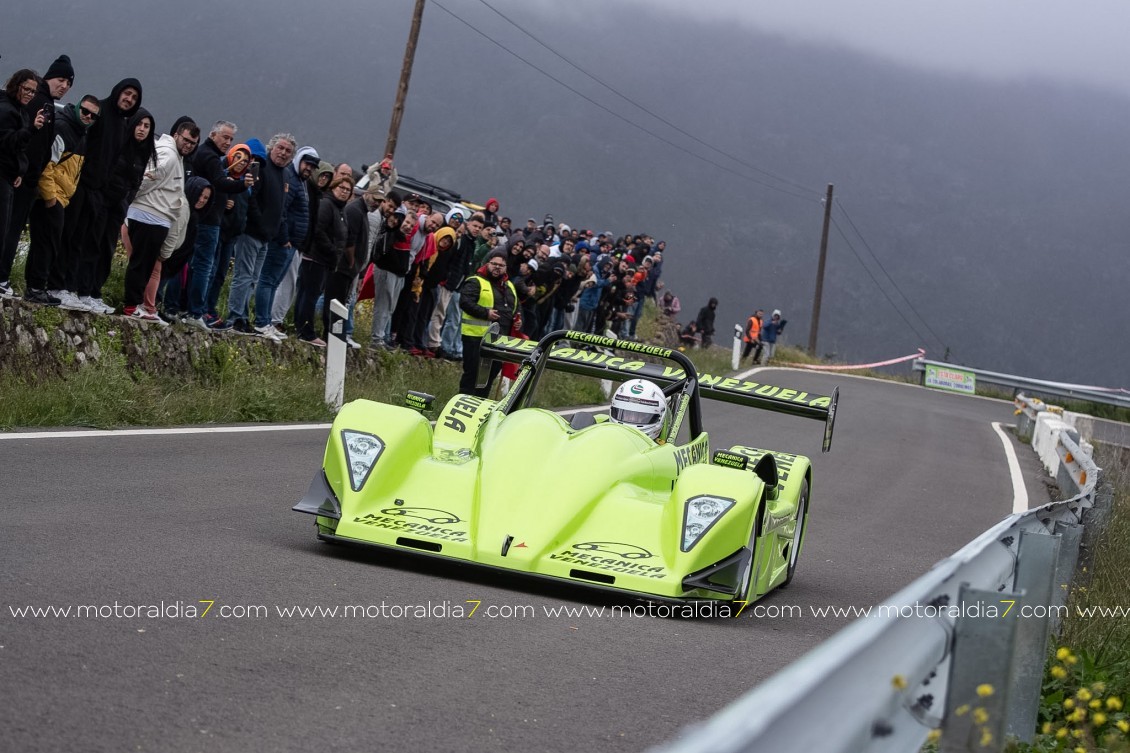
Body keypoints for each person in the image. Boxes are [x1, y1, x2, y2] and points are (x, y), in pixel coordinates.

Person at [1, 55, 74, 297]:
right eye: (61, 79)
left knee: (12, 229)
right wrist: (23, 172)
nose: (64, 86)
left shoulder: (46, 103)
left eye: (69, 83)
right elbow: (25, 142)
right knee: (9, 230)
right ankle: (2, 278)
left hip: (25, 176)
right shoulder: (38, 103)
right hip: (21, 177)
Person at [23, 95, 98, 305]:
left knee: (49, 244)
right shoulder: (63, 128)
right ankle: (35, 287)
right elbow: (47, 164)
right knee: (45, 244)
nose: (88, 117)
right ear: (78, 109)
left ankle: (36, 286)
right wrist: (50, 198)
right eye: (85, 111)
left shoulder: (81, 134)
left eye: (93, 116)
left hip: (63, 198)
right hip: (50, 196)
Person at [0, 69, 51, 299]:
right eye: (27, 89)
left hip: (10, 176)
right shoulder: (7, 110)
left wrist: (18, 170)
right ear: (16, 85)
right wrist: (32, 129)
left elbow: (17, 151)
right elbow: (8, 142)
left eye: (33, 91)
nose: (30, 94)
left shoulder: (19, 110)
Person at [459, 249, 517, 396]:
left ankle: (480, 407)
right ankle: (462, 404)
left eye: (501, 265)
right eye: (494, 264)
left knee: (489, 377)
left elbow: (515, 308)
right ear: (487, 264)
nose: (497, 267)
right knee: (472, 374)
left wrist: (518, 319)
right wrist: (486, 313)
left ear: (506, 268)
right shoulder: (475, 281)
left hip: (498, 341)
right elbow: (465, 302)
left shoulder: (509, 285)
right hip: (475, 338)